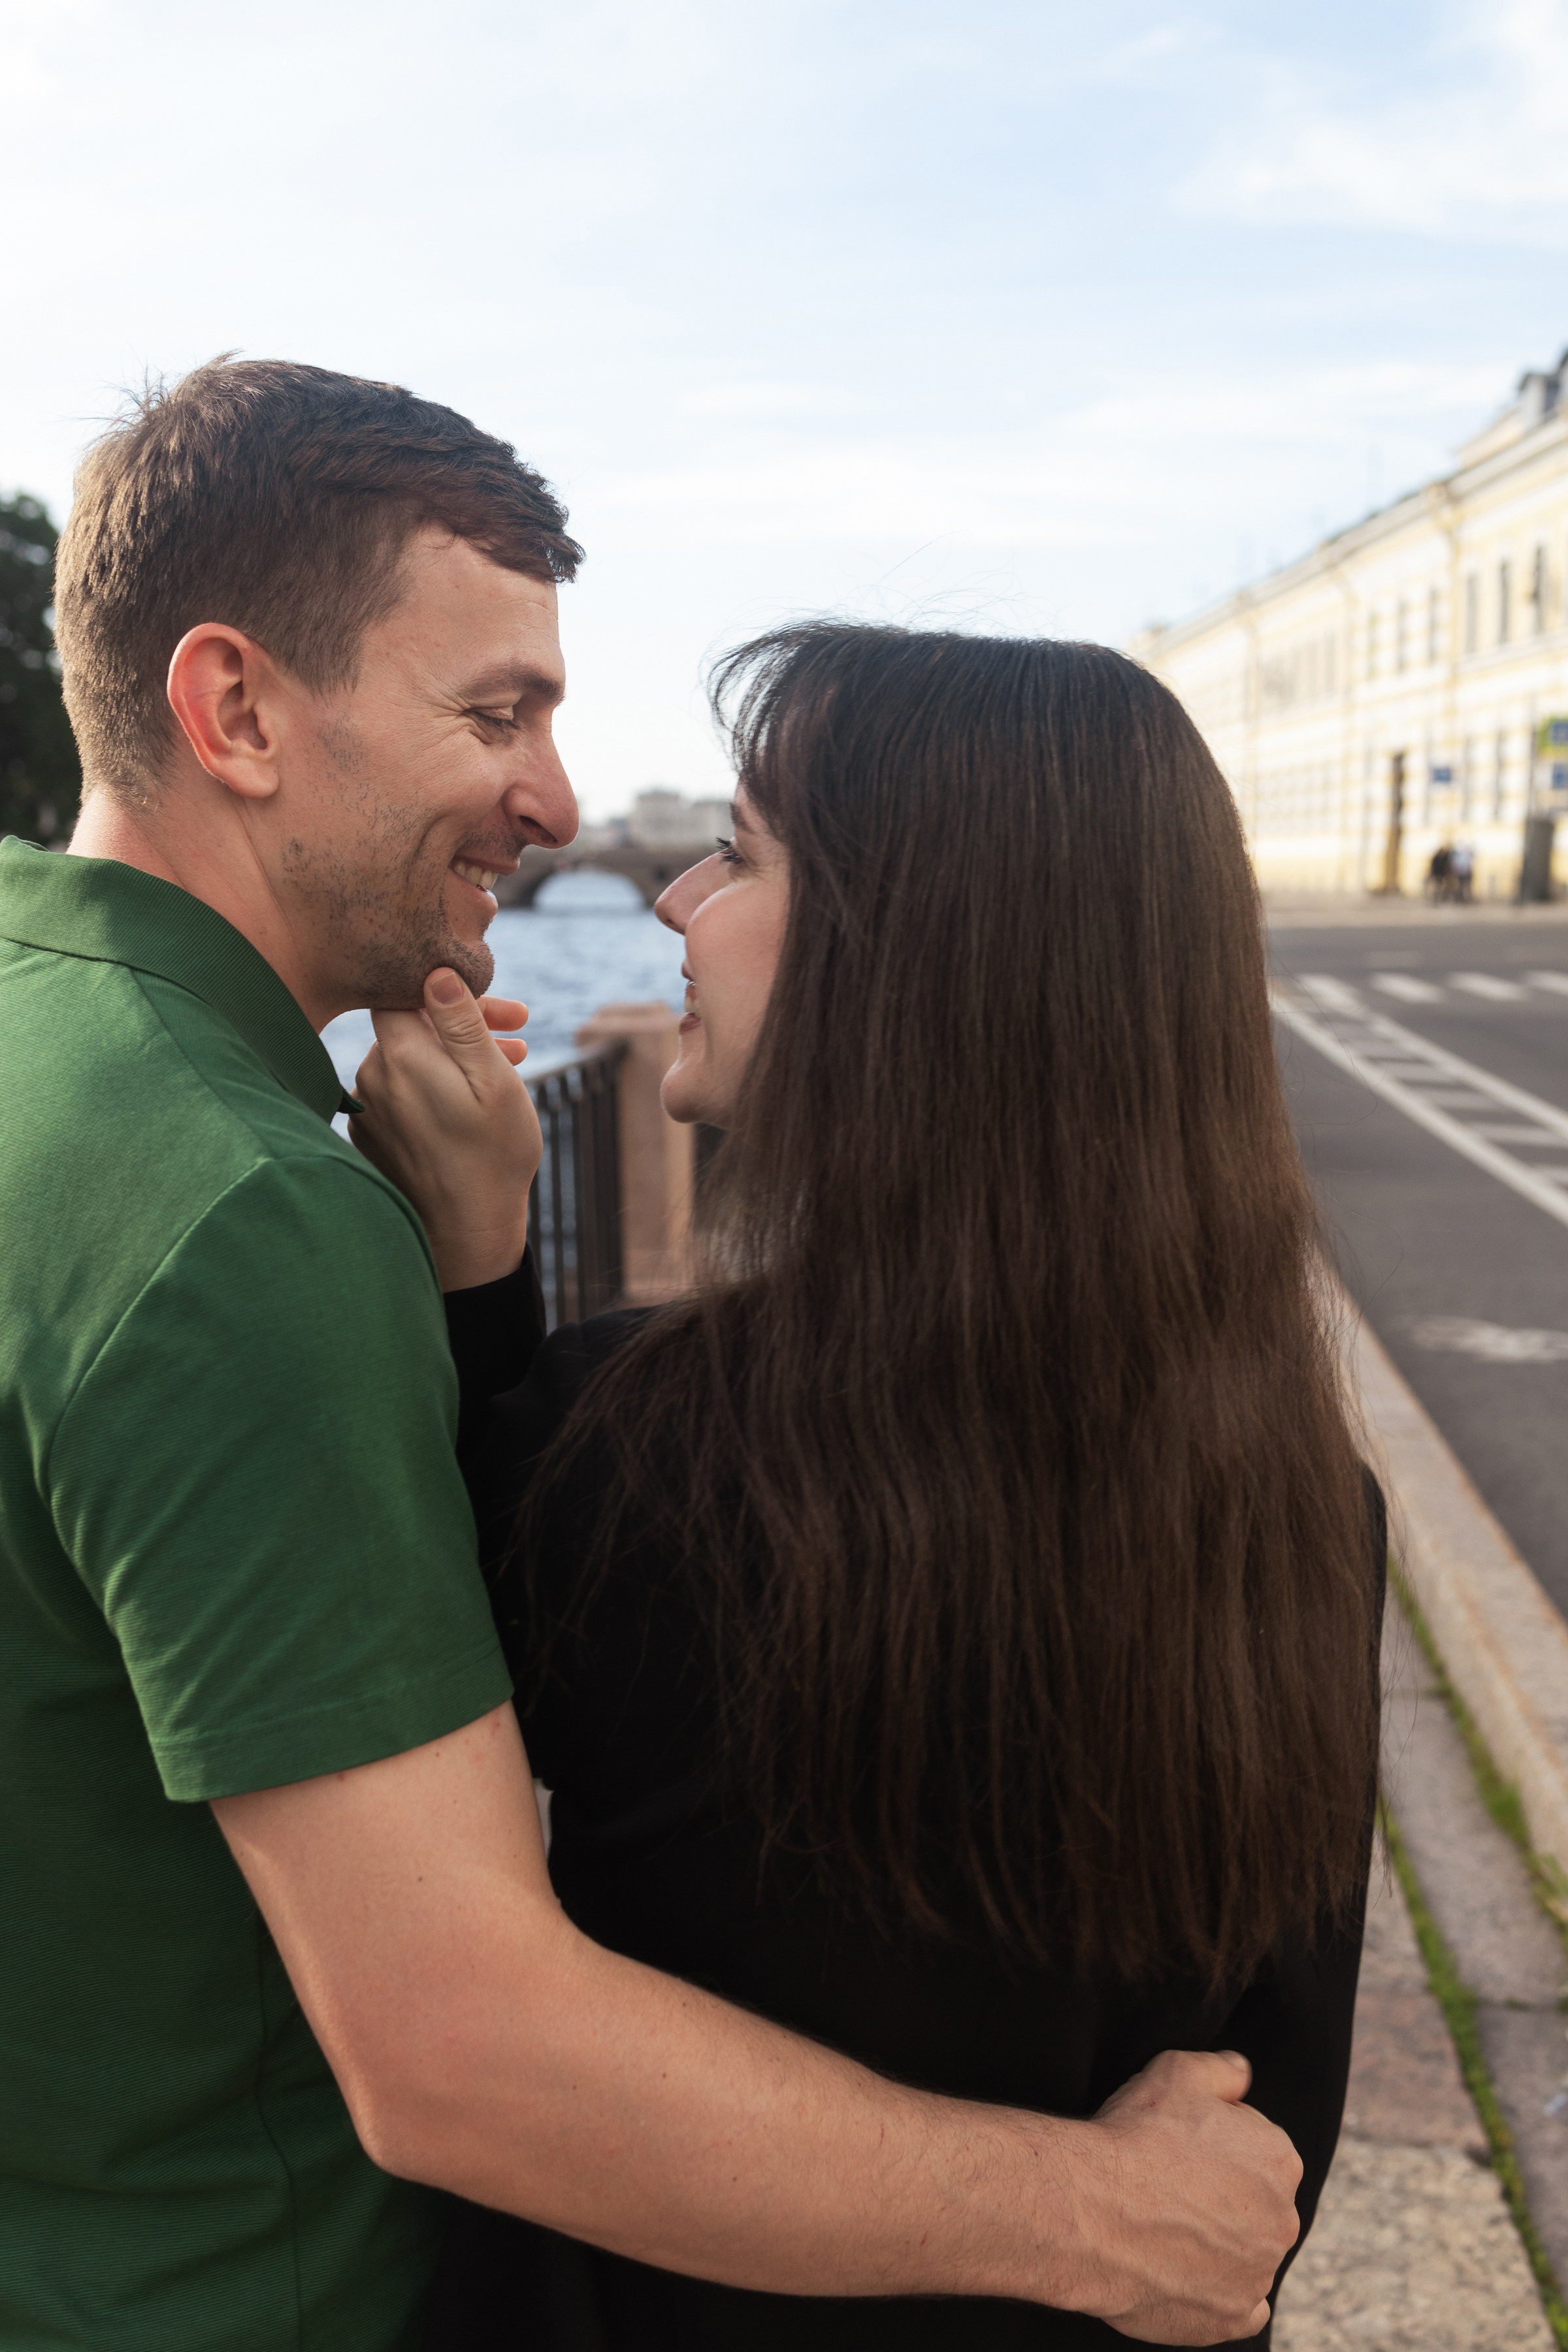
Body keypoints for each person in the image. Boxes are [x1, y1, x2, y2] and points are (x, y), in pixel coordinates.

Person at [0, 362, 1300, 2351]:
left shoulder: (43, 1037)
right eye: (496, 709)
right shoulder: (240, 1218)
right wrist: (1103, 2213)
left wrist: (472, 1278)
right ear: (235, 710)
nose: (568, 808)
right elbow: (462, 2049)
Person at [353, 624, 1387, 2349]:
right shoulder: (1298, 1502)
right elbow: (1265, 2145)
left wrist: (473, 1279)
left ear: (909, 963)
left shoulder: (651, 1462)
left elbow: (449, 1826)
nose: (676, 903)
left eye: (744, 857)